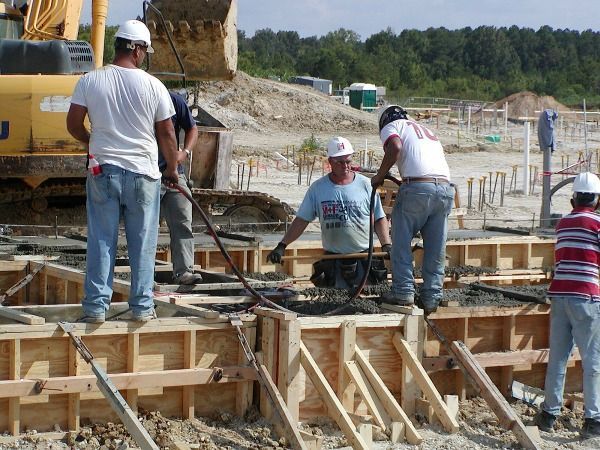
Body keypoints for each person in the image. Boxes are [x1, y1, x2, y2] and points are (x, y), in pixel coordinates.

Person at [66, 20, 179, 323]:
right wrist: (172, 168)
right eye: (145, 50)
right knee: (142, 243)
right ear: (138, 49)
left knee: (101, 239)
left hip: (103, 170)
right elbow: (167, 134)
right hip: (143, 174)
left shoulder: (90, 80)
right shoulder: (153, 86)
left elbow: (74, 123)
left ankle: (95, 308)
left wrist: (93, 140)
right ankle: (142, 308)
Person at [267, 137, 391, 288]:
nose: (345, 166)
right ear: (330, 161)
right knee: (333, 302)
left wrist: (386, 244)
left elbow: (379, 218)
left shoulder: (365, 185)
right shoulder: (318, 189)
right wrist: (282, 245)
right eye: (340, 162)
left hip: (364, 258)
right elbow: (302, 220)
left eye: (348, 161)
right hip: (333, 260)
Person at [370, 105, 454, 314]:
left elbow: (395, 147)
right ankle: (432, 296)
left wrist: (380, 175)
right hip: (445, 189)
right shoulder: (426, 131)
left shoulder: (392, 127)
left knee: (400, 240)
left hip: (417, 187)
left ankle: (404, 291)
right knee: (436, 245)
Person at [535, 172, 600, 439]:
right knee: (593, 361)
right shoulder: (597, 223)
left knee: (558, 358)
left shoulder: (563, 224)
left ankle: (549, 414)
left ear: (574, 197)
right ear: (596, 199)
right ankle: (593, 419)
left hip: (560, 296)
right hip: (586, 297)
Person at [158, 91, 202, 285]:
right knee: (145, 227)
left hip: (174, 173)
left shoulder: (174, 100)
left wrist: (183, 153)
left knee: (182, 221)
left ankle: (184, 272)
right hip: (147, 172)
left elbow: (192, 129)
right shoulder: (141, 97)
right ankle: (142, 276)